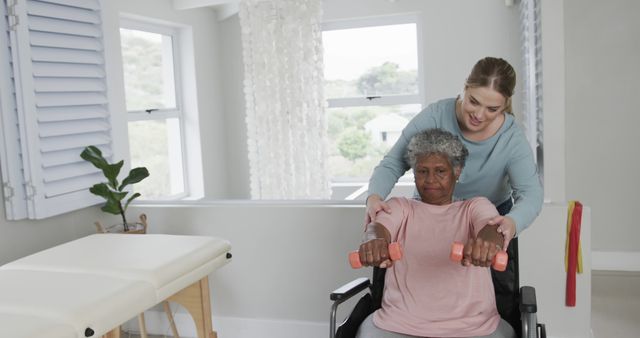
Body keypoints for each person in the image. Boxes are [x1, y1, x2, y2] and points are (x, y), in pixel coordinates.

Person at [366, 56, 542, 249]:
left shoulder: (511, 138)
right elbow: (393, 163)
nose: (479, 115)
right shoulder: (435, 116)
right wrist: (374, 197)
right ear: (465, 88)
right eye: (474, 102)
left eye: (492, 109)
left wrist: (512, 222)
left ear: (505, 104)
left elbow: (530, 193)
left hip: (489, 222)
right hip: (431, 210)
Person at [356, 129, 516, 338]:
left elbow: (492, 227)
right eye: (422, 171)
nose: (430, 179)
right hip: (398, 323)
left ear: (457, 171)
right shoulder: (401, 207)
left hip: (473, 327)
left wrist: (486, 245)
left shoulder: (475, 207)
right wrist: (374, 241)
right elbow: (378, 228)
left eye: (440, 171)